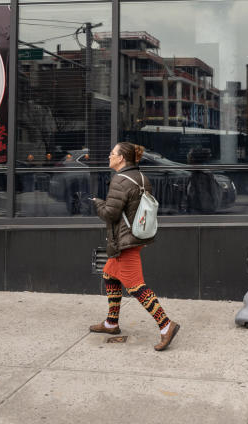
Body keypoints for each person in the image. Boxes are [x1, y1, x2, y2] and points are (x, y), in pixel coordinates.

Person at [90, 141, 180, 351]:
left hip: (124, 242)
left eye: (112, 153)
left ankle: (166, 325)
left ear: (121, 158)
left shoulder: (120, 180)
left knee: (136, 287)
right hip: (136, 236)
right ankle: (112, 323)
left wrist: (97, 203)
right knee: (109, 275)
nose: (109, 156)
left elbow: (110, 214)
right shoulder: (141, 177)